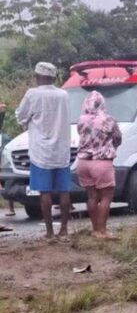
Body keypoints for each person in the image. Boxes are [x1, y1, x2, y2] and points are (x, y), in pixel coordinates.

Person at [13, 62, 71, 240]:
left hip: (41, 152)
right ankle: (64, 230)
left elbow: (20, 116)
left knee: (44, 193)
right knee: (64, 192)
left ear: (38, 76)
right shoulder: (64, 95)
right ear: (53, 77)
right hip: (62, 151)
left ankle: (49, 232)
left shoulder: (33, 94)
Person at [76, 91, 122, 239]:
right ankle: (102, 231)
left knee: (92, 196)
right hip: (101, 162)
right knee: (106, 197)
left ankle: (94, 229)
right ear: (102, 103)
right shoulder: (108, 120)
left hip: (83, 162)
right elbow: (118, 139)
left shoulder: (81, 120)